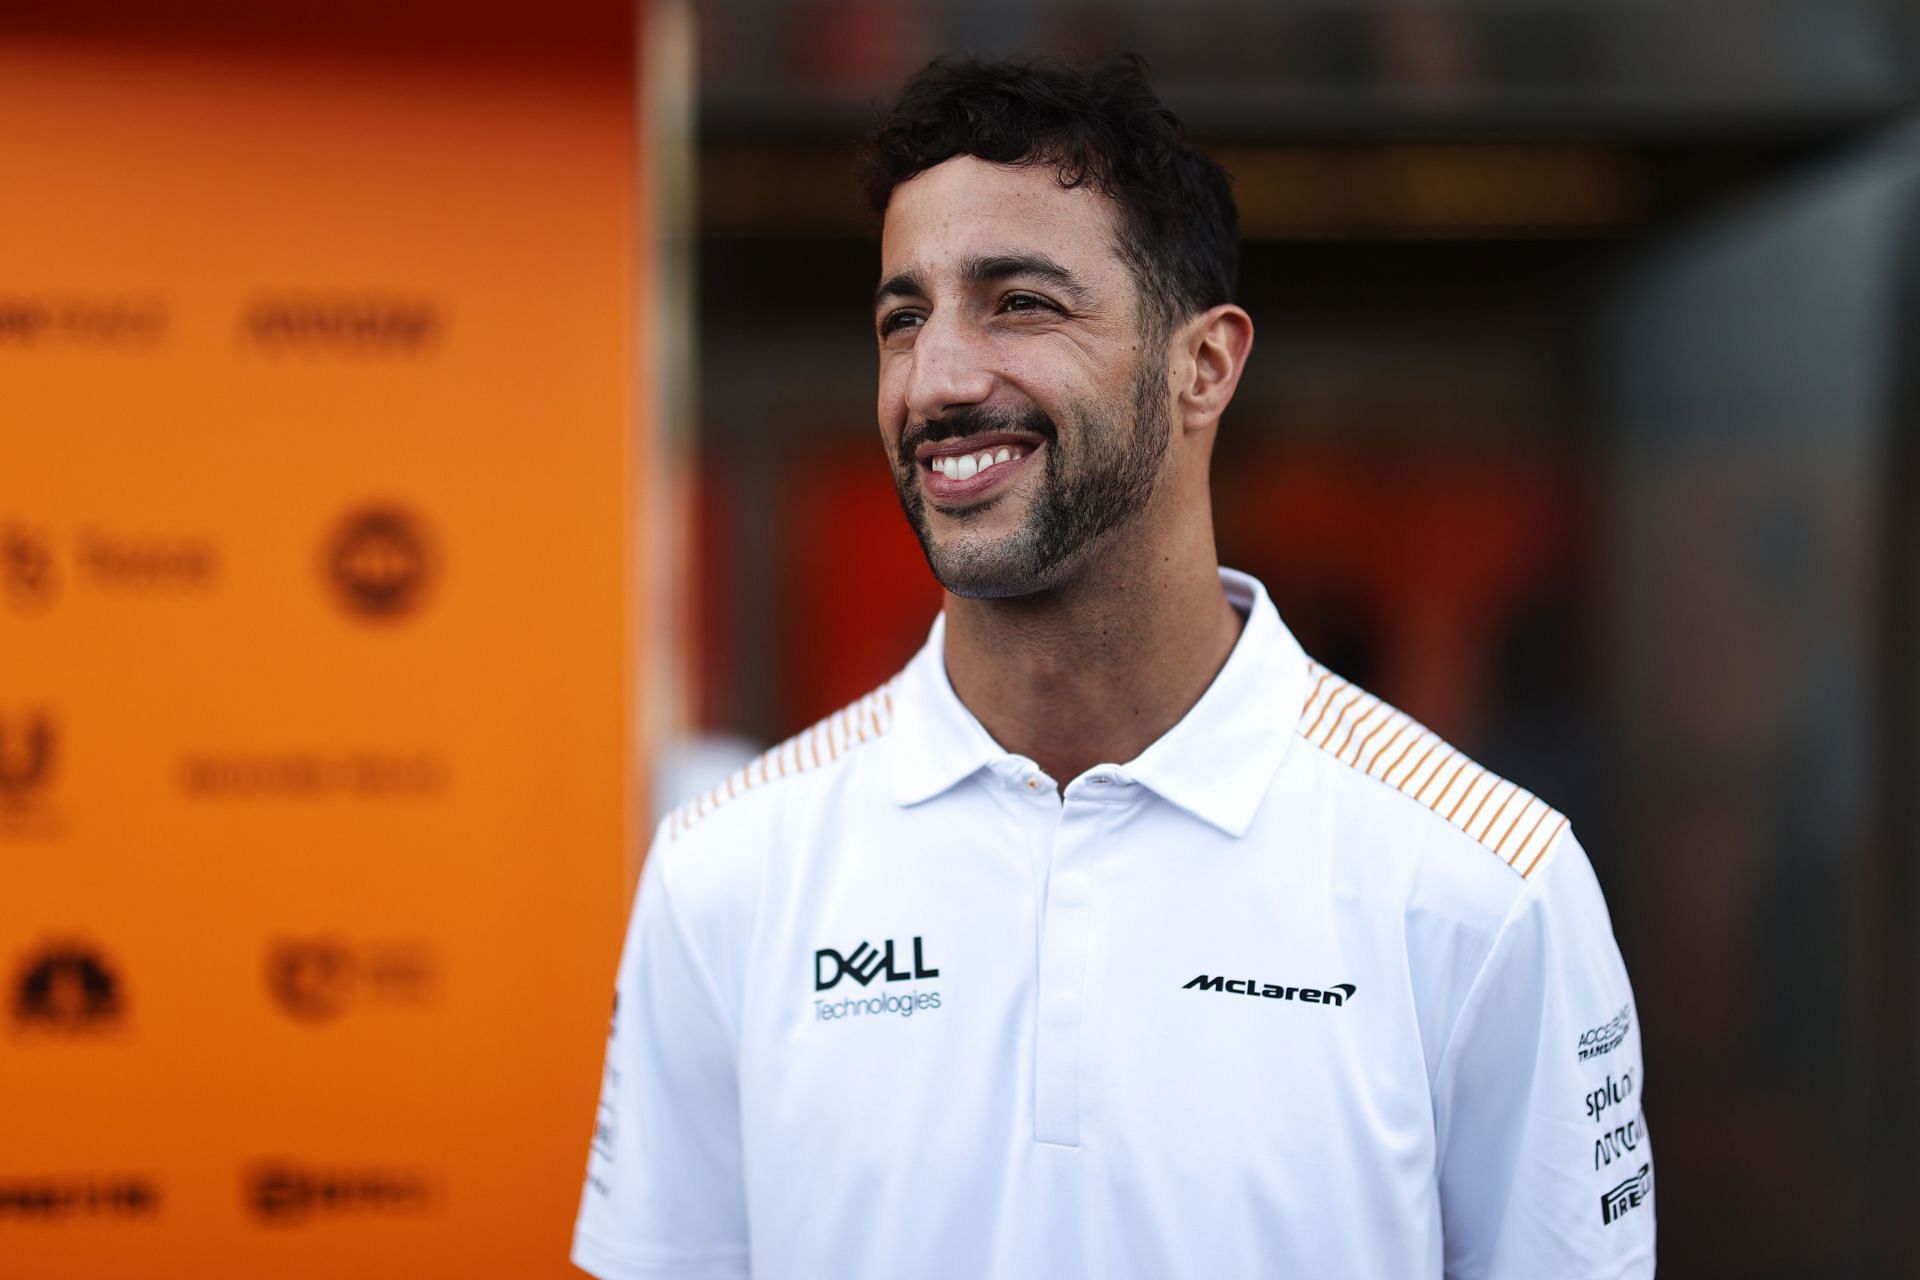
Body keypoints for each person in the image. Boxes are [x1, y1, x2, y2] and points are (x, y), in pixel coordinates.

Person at [573, 54, 1654, 1280]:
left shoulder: (1485, 884)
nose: (939, 379)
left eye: (1020, 301)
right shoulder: (731, 868)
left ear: (1205, 366)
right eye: (903, 317)